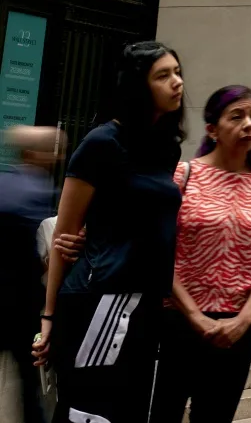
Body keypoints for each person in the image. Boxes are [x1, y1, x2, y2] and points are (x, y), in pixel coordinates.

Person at [33, 42, 184, 423]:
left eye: (178, 72)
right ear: (138, 85)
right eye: (163, 75)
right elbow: (64, 237)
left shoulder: (166, 148)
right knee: (89, 414)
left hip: (146, 303)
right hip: (104, 298)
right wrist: (48, 318)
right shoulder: (102, 142)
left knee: (128, 412)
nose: (177, 83)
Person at [151, 86, 251, 423]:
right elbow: (161, 251)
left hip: (236, 325)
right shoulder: (185, 175)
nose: (249, 124)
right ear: (212, 129)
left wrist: (243, 321)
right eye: (237, 116)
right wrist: (195, 317)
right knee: (164, 413)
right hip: (179, 319)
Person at [1, 127, 61, 423]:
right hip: (20, 301)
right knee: (27, 376)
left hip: (12, 297)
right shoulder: (37, 191)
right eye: (51, 150)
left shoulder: (5, 183)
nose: (56, 156)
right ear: (32, 154)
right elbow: (40, 254)